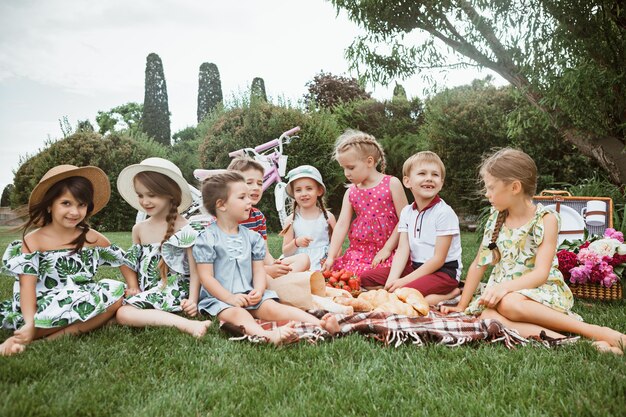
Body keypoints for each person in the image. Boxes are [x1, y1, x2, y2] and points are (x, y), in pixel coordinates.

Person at [441, 148, 626, 354]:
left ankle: (595, 331)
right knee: (487, 317)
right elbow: (479, 263)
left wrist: (505, 288)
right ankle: (574, 343)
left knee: (509, 302)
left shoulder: (545, 219)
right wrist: (462, 306)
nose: (487, 193)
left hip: (539, 291)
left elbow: (541, 274)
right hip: (503, 294)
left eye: (491, 187)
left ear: (515, 187)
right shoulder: (495, 217)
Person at [0, 165, 127, 356]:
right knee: (40, 320)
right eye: (66, 203)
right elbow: (26, 286)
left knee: (116, 297)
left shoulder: (90, 237)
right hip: (44, 304)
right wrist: (29, 321)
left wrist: (132, 284)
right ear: (50, 205)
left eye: (81, 204)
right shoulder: (34, 240)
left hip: (80, 299)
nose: (74, 212)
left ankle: (44, 340)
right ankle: (28, 332)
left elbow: (122, 259)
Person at [193, 171, 321, 345]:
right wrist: (230, 298)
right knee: (238, 314)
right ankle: (268, 336)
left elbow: (258, 270)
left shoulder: (252, 237)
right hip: (220, 299)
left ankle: (321, 324)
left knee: (274, 308)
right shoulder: (207, 238)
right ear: (222, 205)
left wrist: (259, 290)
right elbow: (206, 277)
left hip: (250, 293)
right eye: (242, 197)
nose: (249, 201)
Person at [115, 157, 211, 337]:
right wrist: (134, 287)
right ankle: (151, 312)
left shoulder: (187, 229)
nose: (145, 201)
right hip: (148, 290)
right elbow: (132, 263)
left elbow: (195, 268)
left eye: (151, 195)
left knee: (123, 313)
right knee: (112, 301)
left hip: (174, 289)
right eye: (140, 195)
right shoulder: (139, 229)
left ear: (171, 194)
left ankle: (189, 326)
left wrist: (192, 300)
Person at [360, 152, 462, 305]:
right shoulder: (407, 212)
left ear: (441, 182)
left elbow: (438, 259)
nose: (429, 178)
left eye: (435, 175)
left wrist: (403, 282)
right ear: (407, 182)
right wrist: (392, 280)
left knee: (402, 292)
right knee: (366, 278)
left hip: (444, 273)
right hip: (416, 269)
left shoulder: (444, 213)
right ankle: (410, 293)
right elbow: (403, 249)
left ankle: (450, 293)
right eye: (422, 173)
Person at [322, 129, 408, 276]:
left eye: (351, 167)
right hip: (360, 252)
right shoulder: (351, 192)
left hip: (389, 250)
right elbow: (342, 225)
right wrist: (331, 256)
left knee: (378, 278)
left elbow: (406, 219)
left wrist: (387, 249)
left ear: (369, 161)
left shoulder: (392, 183)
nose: (346, 173)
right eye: (343, 168)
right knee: (348, 277)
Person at [227, 157, 309, 276]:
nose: (256, 187)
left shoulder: (258, 217)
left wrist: (273, 265)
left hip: (260, 268)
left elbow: (264, 252)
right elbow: (227, 262)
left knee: (303, 259)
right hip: (236, 272)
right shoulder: (226, 217)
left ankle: (279, 279)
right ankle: (279, 282)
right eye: (249, 182)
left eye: (260, 183)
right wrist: (265, 270)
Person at [280, 165, 336, 271]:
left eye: (309, 188)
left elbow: (337, 245)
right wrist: (296, 243)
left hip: (322, 263)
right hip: (299, 264)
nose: (304, 194)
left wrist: (332, 259)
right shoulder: (291, 220)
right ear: (293, 193)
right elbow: (286, 252)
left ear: (319, 191)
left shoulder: (328, 217)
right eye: (298, 190)